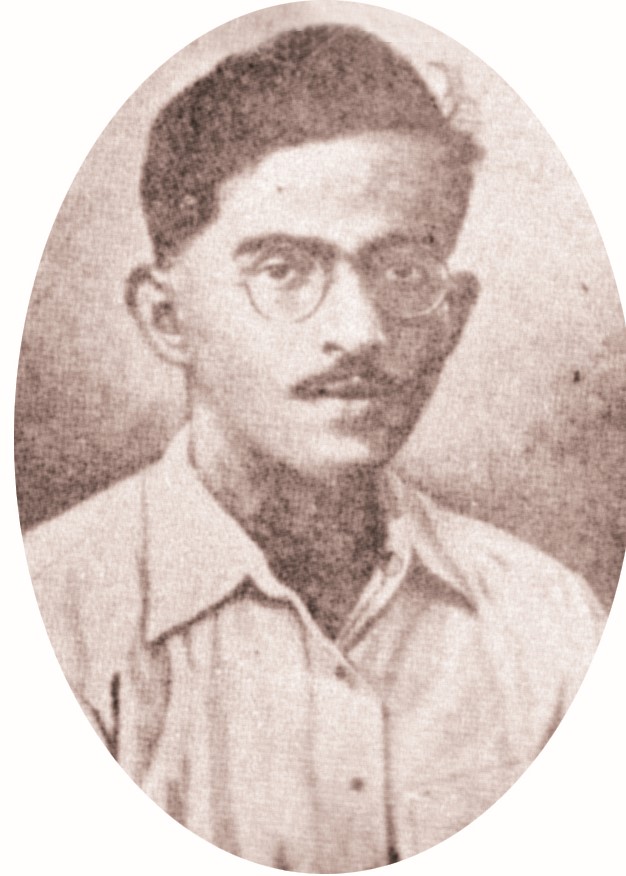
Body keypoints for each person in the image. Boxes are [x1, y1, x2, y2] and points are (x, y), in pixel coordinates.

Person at [24, 23, 605, 873]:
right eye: (285, 269)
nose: (360, 332)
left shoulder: (548, 622)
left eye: (403, 271)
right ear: (167, 317)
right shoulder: (50, 618)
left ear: (454, 316)